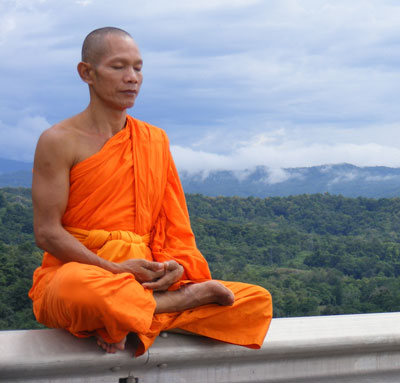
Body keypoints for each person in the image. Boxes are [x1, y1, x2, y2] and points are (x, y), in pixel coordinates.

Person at [29, 27, 273, 356]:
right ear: (87, 72)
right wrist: (114, 269)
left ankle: (125, 315)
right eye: (118, 67)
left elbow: (169, 225)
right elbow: (47, 233)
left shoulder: (153, 140)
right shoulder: (58, 140)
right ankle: (166, 305)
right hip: (82, 273)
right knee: (82, 291)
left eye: (138, 68)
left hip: (141, 277)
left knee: (256, 300)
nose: (132, 78)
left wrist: (174, 268)